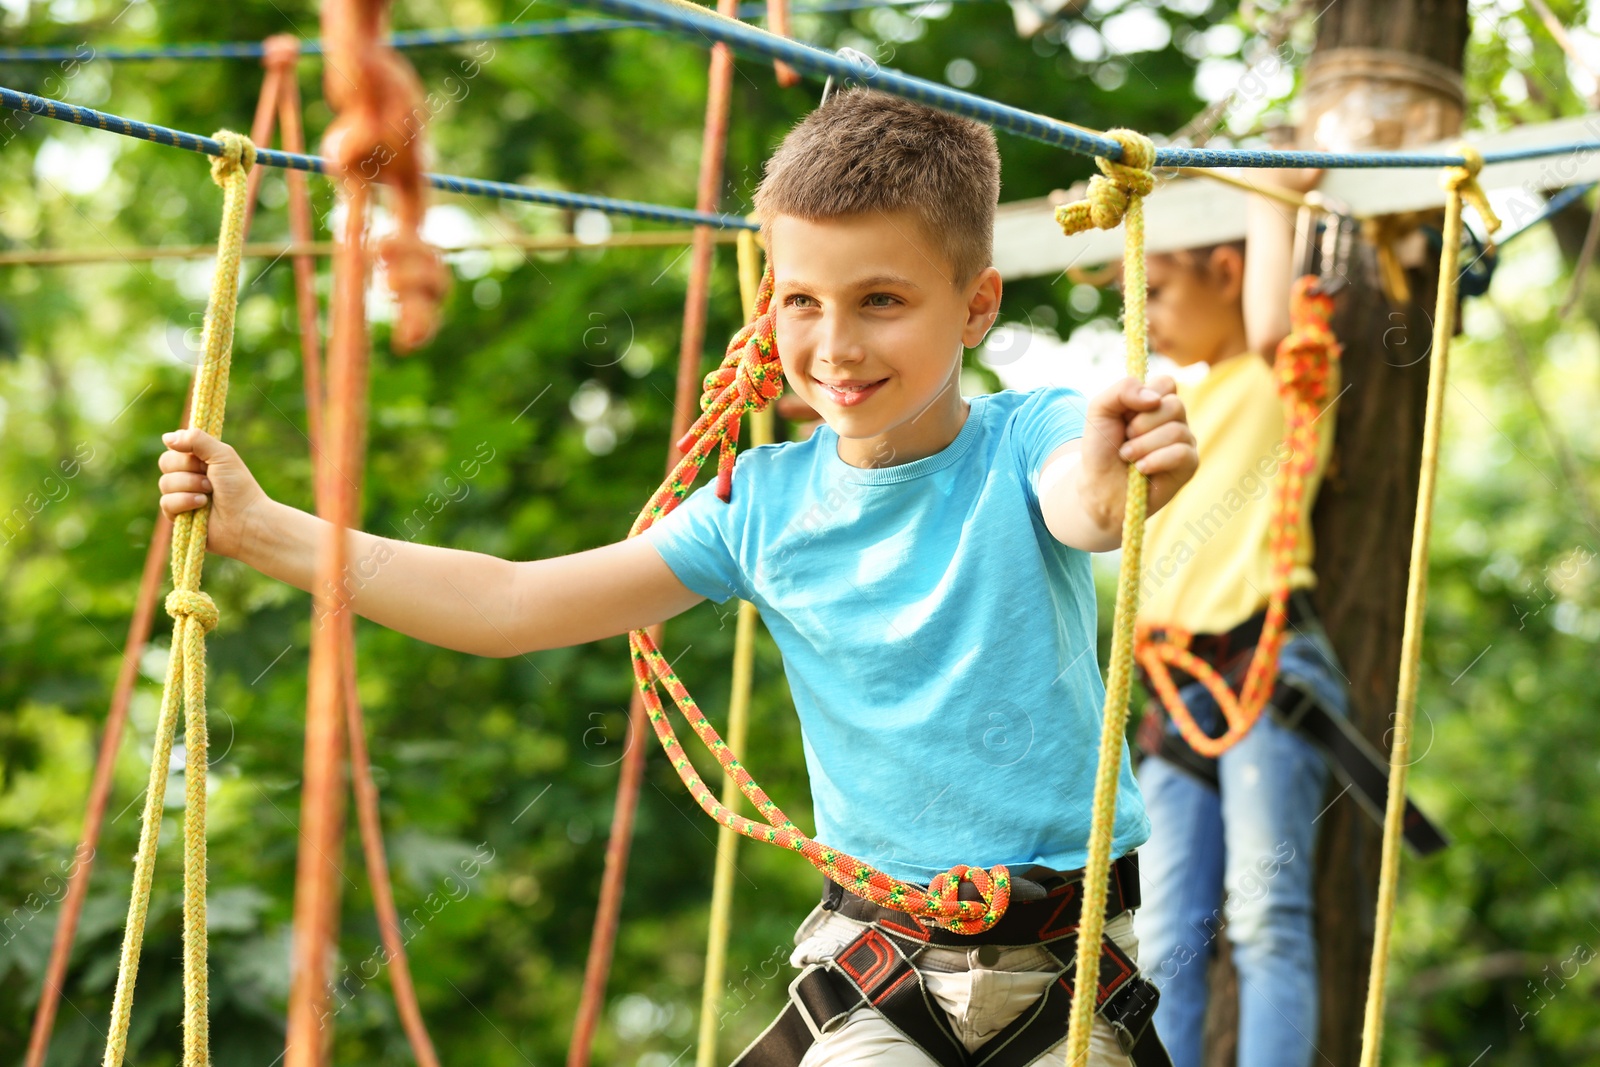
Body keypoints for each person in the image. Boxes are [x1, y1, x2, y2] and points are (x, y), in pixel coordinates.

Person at [157, 89, 1197, 1066]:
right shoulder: (760, 508)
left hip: (1067, 972)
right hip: (883, 976)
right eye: (800, 301)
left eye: (881, 300)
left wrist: (1124, 463)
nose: (834, 345)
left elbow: (1090, 507)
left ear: (975, 307)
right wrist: (272, 531)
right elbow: (512, 603)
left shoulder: (1032, 436)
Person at [1129, 170, 1349, 1067]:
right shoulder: (1166, 404)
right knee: (1165, 937)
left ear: (1226, 268)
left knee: (1264, 920)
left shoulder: (1282, 370)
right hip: (1179, 690)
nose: (1146, 314)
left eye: (1156, 288)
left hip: (1266, 664)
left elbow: (1269, 323)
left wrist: (1268, 199)